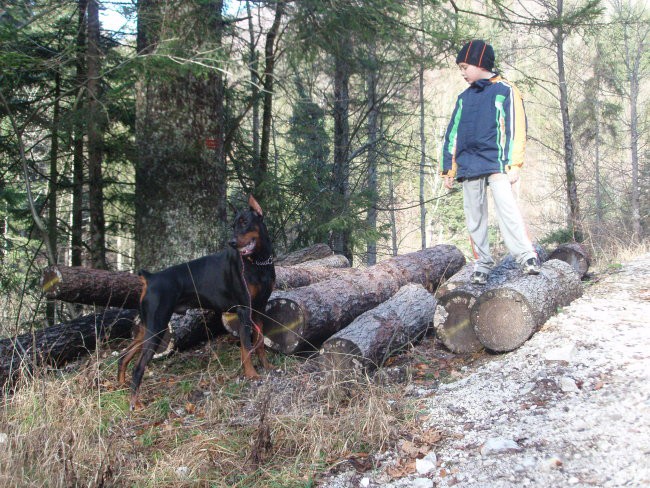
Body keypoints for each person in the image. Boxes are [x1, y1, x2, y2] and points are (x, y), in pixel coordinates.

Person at [441, 39, 540, 285]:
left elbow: (516, 128)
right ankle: (482, 262)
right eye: (460, 68)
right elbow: (452, 134)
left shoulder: (505, 90)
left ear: (479, 63)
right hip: (468, 164)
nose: (462, 72)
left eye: (465, 67)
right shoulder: (463, 98)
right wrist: (448, 168)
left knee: (508, 210)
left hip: (497, 162)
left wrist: (514, 163)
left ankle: (526, 256)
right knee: (474, 216)